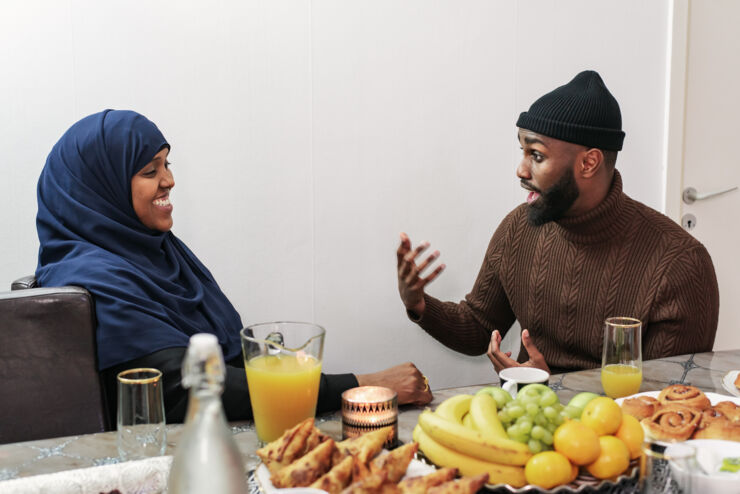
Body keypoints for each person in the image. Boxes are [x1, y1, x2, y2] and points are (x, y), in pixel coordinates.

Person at [36, 109, 432, 425]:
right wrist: (358, 387)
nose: (169, 180)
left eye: (167, 164)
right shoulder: (92, 276)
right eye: (149, 171)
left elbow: (230, 359)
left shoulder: (158, 254)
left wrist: (293, 364)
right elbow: (187, 387)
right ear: (99, 190)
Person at [396, 70, 719, 375]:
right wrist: (419, 303)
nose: (521, 170)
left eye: (536, 155)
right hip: (526, 419)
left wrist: (555, 387)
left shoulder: (680, 264)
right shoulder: (519, 229)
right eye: (522, 151)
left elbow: (668, 398)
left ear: (589, 162)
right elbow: (479, 329)